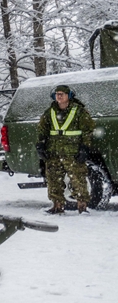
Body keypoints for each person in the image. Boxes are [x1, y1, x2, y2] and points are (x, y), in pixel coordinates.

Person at [36, 84, 96, 214]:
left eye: (62, 93)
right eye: (57, 93)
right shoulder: (50, 112)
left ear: (68, 96)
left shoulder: (79, 111)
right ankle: (57, 206)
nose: (59, 96)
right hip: (53, 151)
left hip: (72, 152)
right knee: (53, 179)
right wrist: (40, 144)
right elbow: (42, 130)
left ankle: (82, 206)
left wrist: (85, 148)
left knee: (77, 179)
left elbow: (88, 131)